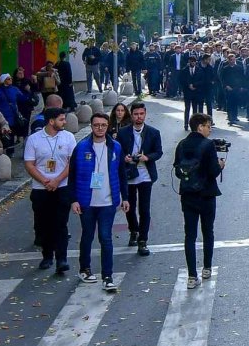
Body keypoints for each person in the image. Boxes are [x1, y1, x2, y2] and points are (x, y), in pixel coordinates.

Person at [66, 112, 129, 292]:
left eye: (103, 125)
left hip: (108, 202)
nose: (100, 128)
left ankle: (108, 276)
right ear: (91, 126)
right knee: (87, 235)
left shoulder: (116, 147)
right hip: (86, 201)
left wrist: (125, 197)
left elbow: (122, 174)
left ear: (108, 126)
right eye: (96, 125)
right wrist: (73, 200)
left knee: (105, 237)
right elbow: (72, 175)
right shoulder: (81, 147)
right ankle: (84, 269)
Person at [24, 107, 77, 274]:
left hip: (62, 187)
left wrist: (57, 180)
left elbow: (72, 162)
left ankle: (62, 259)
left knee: (61, 224)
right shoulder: (34, 139)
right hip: (41, 188)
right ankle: (47, 256)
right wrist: (44, 180)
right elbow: (29, 164)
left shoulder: (68, 137)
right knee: (44, 224)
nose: (65, 122)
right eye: (61, 119)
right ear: (51, 121)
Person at [173, 113, 224, 289]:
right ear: (200, 127)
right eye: (208, 126)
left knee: (190, 235)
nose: (210, 129)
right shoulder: (208, 145)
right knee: (208, 231)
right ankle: (207, 268)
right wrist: (220, 165)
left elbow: (178, 170)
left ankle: (191, 276)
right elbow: (213, 171)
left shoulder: (181, 144)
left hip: (188, 195)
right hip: (207, 195)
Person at [115, 101, 162, 256]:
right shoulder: (123, 132)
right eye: (136, 114)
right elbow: (117, 152)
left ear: (145, 114)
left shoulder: (153, 132)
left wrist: (146, 157)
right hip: (129, 174)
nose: (139, 117)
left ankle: (143, 240)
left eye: (141, 114)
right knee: (129, 206)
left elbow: (158, 152)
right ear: (131, 115)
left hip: (146, 175)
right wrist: (125, 158)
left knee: (144, 209)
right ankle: (133, 230)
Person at [0, 73, 28, 139]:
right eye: (8, 79)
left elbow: (23, 98)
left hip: (13, 117)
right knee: (5, 138)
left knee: (11, 136)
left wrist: (28, 93)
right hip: (3, 118)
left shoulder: (15, 89)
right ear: (3, 81)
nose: (11, 79)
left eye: (11, 78)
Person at [217, 51, 246, 124]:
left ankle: (235, 116)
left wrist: (241, 86)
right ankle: (230, 117)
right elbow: (222, 78)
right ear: (228, 60)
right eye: (231, 60)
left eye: (233, 59)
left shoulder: (239, 68)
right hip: (228, 88)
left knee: (235, 102)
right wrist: (226, 86)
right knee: (229, 103)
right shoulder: (225, 68)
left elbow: (242, 78)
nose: (232, 61)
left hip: (237, 88)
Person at [181, 54, 204, 126]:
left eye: (194, 61)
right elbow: (181, 80)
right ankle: (186, 124)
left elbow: (202, 80)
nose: (193, 62)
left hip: (196, 91)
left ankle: (194, 124)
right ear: (189, 61)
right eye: (191, 61)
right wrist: (188, 85)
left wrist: (194, 85)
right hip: (187, 92)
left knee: (195, 108)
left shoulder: (199, 70)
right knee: (187, 108)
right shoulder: (184, 70)